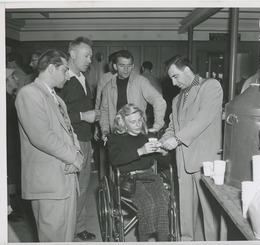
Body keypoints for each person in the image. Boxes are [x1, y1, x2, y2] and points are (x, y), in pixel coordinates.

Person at [15, 49, 84, 242]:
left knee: (66, 234)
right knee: (52, 236)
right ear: (52, 68)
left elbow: (70, 133)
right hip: (48, 181)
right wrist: (73, 157)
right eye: (64, 70)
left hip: (66, 176)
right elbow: (41, 136)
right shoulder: (29, 93)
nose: (68, 76)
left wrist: (77, 154)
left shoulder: (57, 98)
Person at [159, 55, 224, 241]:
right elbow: (173, 126)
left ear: (187, 71)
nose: (173, 82)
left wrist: (177, 139)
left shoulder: (210, 86)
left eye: (175, 76)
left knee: (210, 214)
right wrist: (163, 142)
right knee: (185, 211)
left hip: (205, 160)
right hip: (183, 160)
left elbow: (203, 119)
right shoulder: (177, 99)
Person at [57, 36, 99, 241]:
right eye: (87, 55)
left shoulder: (83, 78)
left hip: (86, 138)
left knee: (82, 188)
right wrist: (83, 116)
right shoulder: (62, 80)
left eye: (90, 56)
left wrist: (94, 124)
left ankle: (78, 227)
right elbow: (56, 116)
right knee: (73, 190)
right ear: (72, 54)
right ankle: (68, 230)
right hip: (71, 142)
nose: (90, 59)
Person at [108, 103, 169, 242]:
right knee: (147, 204)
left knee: (161, 202)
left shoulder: (146, 137)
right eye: (133, 122)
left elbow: (164, 161)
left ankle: (164, 240)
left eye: (139, 120)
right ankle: (143, 241)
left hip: (150, 175)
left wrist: (163, 152)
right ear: (123, 122)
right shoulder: (115, 139)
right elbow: (115, 159)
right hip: (129, 179)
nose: (137, 125)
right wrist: (140, 151)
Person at [99, 49, 166, 144]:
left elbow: (159, 101)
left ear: (133, 66)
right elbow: (104, 111)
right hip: (117, 135)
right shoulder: (107, 87)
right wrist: (105, 130)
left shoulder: (141, 81)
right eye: (122, 66)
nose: (126, 70)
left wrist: (157, 126)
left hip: (138, 135)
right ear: (115, 66)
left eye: (129, 66)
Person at [6, 68, 24, 222]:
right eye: (12, 77)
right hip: (10, 147)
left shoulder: (10, 98)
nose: (16, 79)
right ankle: (9, 210)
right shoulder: (7, 101)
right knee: (11, 179)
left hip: (11, 146)